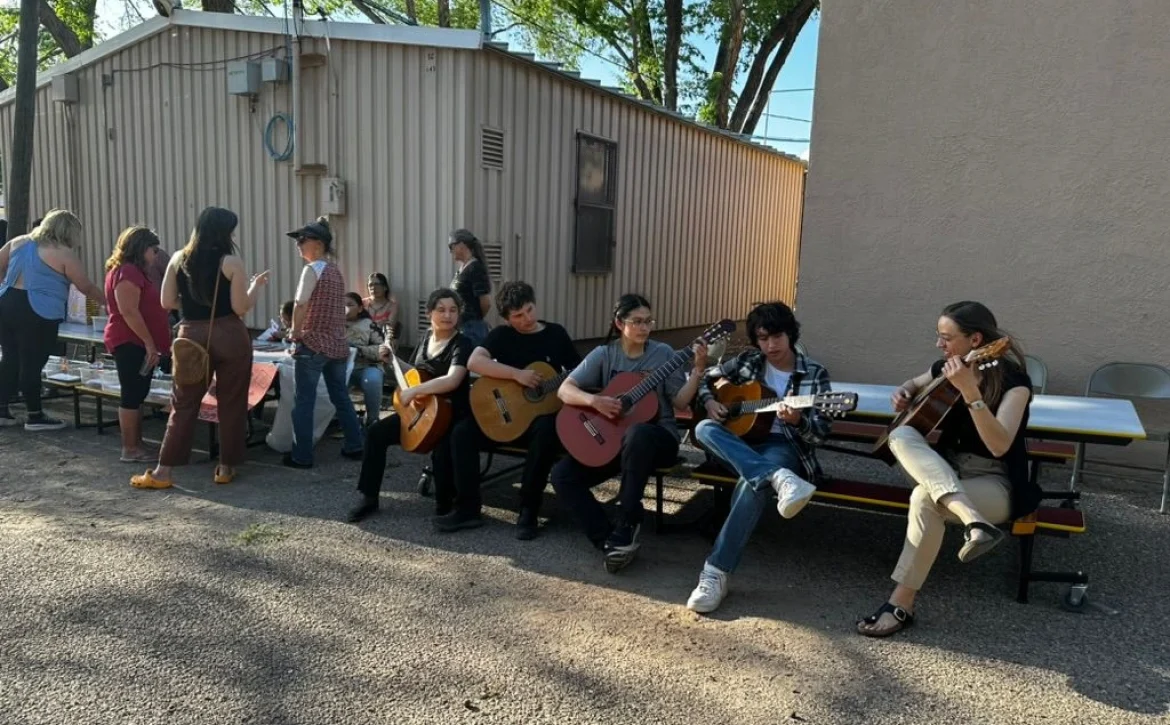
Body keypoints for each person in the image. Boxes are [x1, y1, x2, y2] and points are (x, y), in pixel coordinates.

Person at [857, 301, 1037, 638]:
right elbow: (912, 382)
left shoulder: (1016, 383)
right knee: (900, 434)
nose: (940, 345)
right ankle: (972, 520)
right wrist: (905, 391)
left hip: (994, 481)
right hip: (946, 469)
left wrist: (970, 391)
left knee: (925, 498)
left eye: (946, 338)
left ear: (975, 339)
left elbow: (1000, 445)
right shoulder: (945, 366)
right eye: (939, 337)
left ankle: (901, 604)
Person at [684, 302, 832, 613]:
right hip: (740, 443)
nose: (770, 346)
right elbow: (707, 376)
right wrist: (710, 402)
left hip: (782, 444)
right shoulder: (750, 360)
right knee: (705, 427)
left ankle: (715, 573)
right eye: (763, 339)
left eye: (776, 337)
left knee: (752, 484)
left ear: (790, 334)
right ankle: (777, 477)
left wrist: (798, 421)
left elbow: (819, 433)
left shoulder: (815, 373)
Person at [551, 294, 707, 573]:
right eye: (637, 322)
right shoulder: (605, 354)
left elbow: (681, 402)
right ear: (619, 323)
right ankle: (610, 541)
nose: (645, 327)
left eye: (648, 321)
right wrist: (594, 401)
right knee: (562, 475)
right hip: (615, 442)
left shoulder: (664, 355)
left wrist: (697, 370)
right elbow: (565, 390)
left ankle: (627, 519)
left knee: (638, 433)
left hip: (659, 438)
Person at [131, 207, 268, 489]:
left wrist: (194, 305)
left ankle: (163, 472)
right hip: (230, 333)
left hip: (191, 333)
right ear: (224, 231)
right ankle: (225, 467)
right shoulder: (231, 261)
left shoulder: (178, 258)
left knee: (183, 403)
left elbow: (166, 301)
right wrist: (255, 287)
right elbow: (241, 307)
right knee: (232, 401)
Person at [461, 281, 582, 539]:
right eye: (518, 315)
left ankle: (529, 508)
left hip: (537, 423)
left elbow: (580, 371)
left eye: (529, 310)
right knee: (462, 432)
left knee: (547, 429)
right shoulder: (502, 336)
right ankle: (467, 508)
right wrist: (517, 375)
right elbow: (474, 361)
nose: (527, 318)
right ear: (507, 319)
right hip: (506, 419)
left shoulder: (556, 334)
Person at [347, 288, 473, 525]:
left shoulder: (462, 343)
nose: (448, 315)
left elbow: (452, 380)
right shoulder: (426, 338)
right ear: (429, 313)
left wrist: (414, 392)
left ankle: (447, 503)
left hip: (451, 414)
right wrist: (392, 361)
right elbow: (415, 374)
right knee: (376, 433)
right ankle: (368, 497)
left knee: (444, 455)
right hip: (422, 411)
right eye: (441, 309)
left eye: (453, 310)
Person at [0, 209, 104, 431]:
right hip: (38, 310)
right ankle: (35, 415)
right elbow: (85, 286)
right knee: (32, 363)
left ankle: (2, 410)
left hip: (6, 303)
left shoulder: (18, 242)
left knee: (10, 358)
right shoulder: (63, 253)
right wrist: (109, 303)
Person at [283, 217, 365, 469]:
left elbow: (300, 304)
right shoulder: (335, 271)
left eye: (302, 240)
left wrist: (295, 332)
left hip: (313, 343)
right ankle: (355, 445)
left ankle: (302, 456)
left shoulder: (312, 270)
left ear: (318, 243)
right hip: (337, 345)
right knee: (340, 396)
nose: (298, 244)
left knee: (304, 402)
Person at [103, 226, 172, 463]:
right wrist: (149, 344)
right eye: (153, 250)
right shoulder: (128, 272)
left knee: (139, 392)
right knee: (131, 394)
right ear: (141, 248)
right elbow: (129, 311)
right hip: (130, 341)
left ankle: (138, 445)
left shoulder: (132, 271)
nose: (155, 255)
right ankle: (129, 448)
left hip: (139, 342)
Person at [345, 291, 387, 427]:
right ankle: (344, 418)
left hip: (366, 366)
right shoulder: (331, 325)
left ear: (360, 308)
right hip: (340, 368)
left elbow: (383, 349)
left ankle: (372, 420)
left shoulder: (369, 325)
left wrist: (359, 350)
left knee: (372, 381)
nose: (344, 307)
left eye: (350, 304)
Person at [448, 229, 492, 346]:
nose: (450, 251)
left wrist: (474, 319)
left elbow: (486, 302)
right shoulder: (463, 269)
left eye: (451, 246)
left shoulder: (475, 268)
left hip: (471, 329)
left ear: (461, 245)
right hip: (460, 326)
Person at [363, 272, 399, 338]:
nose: (373, 287)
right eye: (370, 285)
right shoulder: (362, 303)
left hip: (381, 339)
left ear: (385, 287)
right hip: (362, 338)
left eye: (377, 284)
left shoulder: (392, 306)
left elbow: (389, 327)